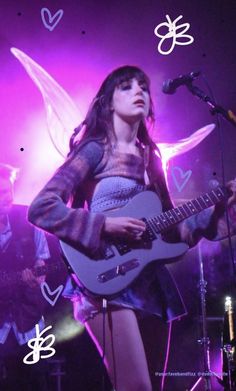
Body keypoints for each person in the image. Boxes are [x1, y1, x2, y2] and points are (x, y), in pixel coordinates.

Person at [28, 65, 236, 391]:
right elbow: (42, 208)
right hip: (104, 279)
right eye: (126, 87)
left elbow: (171, 231)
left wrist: (221, 205)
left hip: (150, 285)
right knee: (135, 387)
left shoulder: (151, 158)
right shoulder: (94, 149)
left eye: (143, 86)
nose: (139, 91)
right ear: (108, 102)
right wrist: (104, 225)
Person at [0, 163, 50, 391]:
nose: (4, 198)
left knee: (37, 380)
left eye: (6, 191)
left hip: (29, 316)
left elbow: (42, 262)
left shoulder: (30, 217)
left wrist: (37, 277)